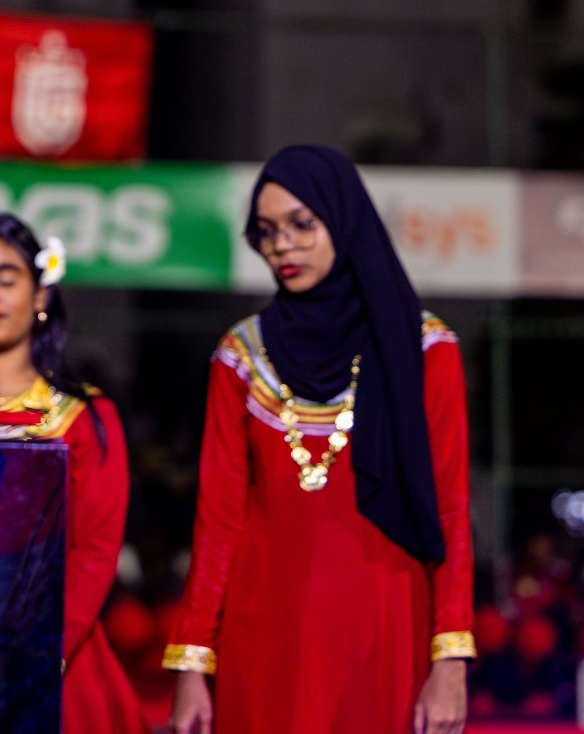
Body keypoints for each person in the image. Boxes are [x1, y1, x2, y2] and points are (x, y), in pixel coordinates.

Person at [166, 146, 473, 734]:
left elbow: (453, 509)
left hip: (385, 624)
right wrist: (191, 664)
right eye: (267, 232)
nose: (283, 245)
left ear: (345, 218)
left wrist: (450, 659)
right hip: (263, 633)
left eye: (303, 225)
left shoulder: (423, 349)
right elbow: (219, 522)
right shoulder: (240, 356)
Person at [0, 213, 148, 734]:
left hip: (52, 649)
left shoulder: (86, 418)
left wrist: (44, 649)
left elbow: (96, 552)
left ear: (40, 295)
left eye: (6, 278)